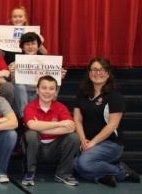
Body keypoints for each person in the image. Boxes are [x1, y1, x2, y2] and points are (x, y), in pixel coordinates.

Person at [73, 58, 140, 187]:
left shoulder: (114, 96)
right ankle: (104, 176)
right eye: (94, 70)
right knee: (74, 164)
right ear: (89, 72)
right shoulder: (82, 93)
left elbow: (112, 125)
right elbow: (77, 119)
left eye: (102, 70)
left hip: (111, 143)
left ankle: (122, 171)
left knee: (83, 164)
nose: (97, 73)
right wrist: (83, 139)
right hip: (89, 142)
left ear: (108, 73)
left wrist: (93, 142)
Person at [21, 75, 80, 186]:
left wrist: (41, 128)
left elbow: (71, 127)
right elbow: (32, 125)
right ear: (37, 90)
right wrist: (59, 124)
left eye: (51, 88)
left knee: (74, 137)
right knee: (31, 135)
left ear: (56, 92)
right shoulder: (30, 107)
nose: (47, 92)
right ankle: (29, 172)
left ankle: (63, 174)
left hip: (55, 148)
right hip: (35, 148)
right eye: (44, 88)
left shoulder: (61, 107)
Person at [9, 32, 67, 118]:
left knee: (46, 86)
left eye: (33, 44)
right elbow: (13, 87)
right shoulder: (14, 64)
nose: (30, 47)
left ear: (38, 46)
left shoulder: (48, 63)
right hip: (20, 98)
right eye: (27, 44)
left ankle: (27, 117)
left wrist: (59, 78)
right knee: (19, 84)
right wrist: (12, 74)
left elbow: (53, 92)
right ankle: (26, 116)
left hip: (40, 95)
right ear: (22, 47)